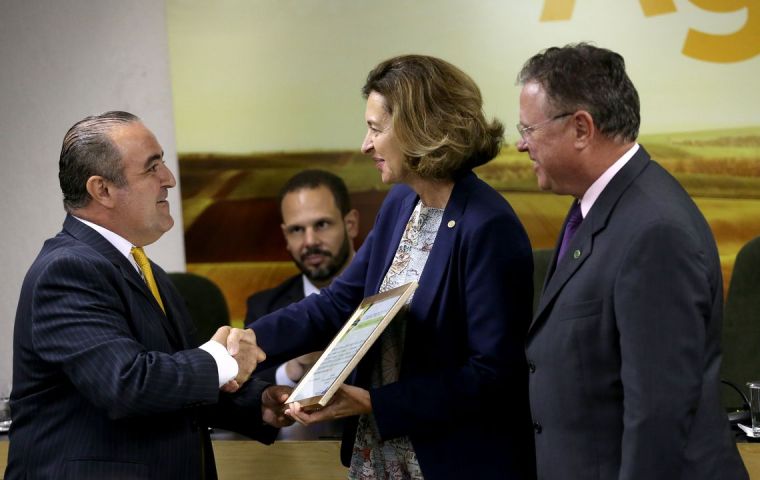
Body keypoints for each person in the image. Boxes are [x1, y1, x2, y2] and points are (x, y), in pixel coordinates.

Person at [251, 55, 536, 479]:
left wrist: (375, 403)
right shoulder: (403, 202)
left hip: (451, 460)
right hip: (382, 453)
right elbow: (337, 304)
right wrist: (245, 343)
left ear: (419, 128)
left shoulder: (488, 225)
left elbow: (493, 375)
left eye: (375, 128)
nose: (366, 145)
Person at [5, 111, 292, 479]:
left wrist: (258, 404)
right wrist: (224, 359)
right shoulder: (66, 270)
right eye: (152, 167)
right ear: (102, 190)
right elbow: (127, 383)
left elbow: (175, 384)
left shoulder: (143, 268)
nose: (169, 179)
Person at [517, 43, 749, 479]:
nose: (520, 144)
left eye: (528, 129)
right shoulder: (598, 205)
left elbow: (657, 414)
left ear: (581, 128)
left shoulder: (655, 231)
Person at [246, 169, 359, 439]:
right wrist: (293, 370)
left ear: (351, 223)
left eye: (321, 225)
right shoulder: (265, 307)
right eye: (297, 230)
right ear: (285, 236)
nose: (310, 242)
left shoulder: (391, 294)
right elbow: (246, 390)